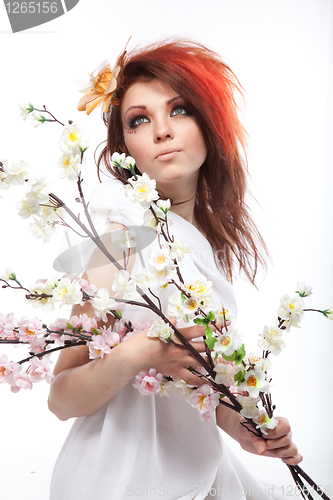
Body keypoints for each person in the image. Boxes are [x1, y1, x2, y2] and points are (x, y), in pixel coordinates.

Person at [48, 40, 302, 499]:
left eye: (179, 109)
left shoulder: (198, 241)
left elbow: (195, 384)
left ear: (209, 124)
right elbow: (61, 399)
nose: (162, 130)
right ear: (125, 146)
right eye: (139, 120)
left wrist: (244, 428)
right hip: (117, 479)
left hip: (198, 469)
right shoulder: (123, 239)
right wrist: (135, 355)